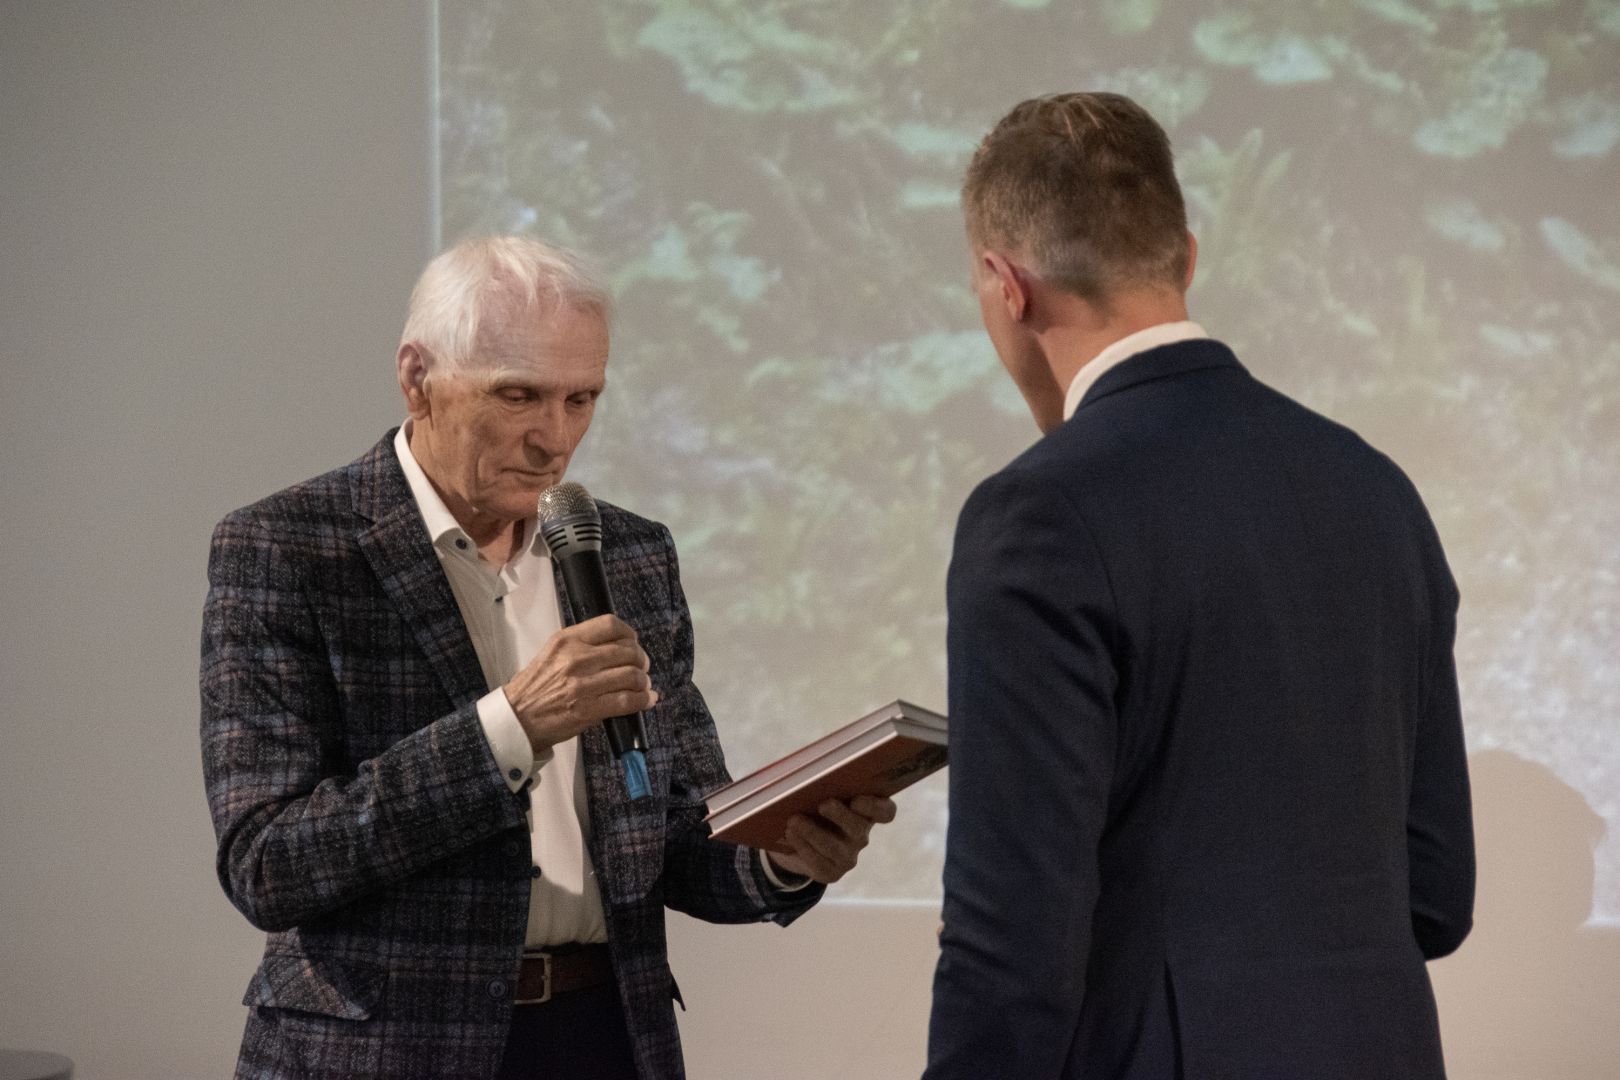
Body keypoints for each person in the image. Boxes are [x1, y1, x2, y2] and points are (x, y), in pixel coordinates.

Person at [200, 235, 895, 1080]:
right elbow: (268, 864)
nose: (555, 439)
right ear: (418, 378)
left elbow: (673, 829)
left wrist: (781, 857)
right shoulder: (289, 549)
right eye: (519, 395)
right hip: (380, 1052)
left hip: (602, 1037)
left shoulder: (629, 555)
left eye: (581, 399)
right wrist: (511, 727)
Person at [925, 93, 1475, 1079]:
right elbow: (1435, 896)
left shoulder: (1039, 516)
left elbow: (1012, 944)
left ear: (1007, 287)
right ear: (1184, 258)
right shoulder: (1375, 487)